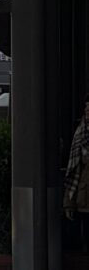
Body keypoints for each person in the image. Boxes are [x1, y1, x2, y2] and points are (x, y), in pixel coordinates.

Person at [64, 96, 89, 224]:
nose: (87, 110)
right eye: (86, 107)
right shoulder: (80, 134)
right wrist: (69, 203)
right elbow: (73, 170)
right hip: (84, 199)